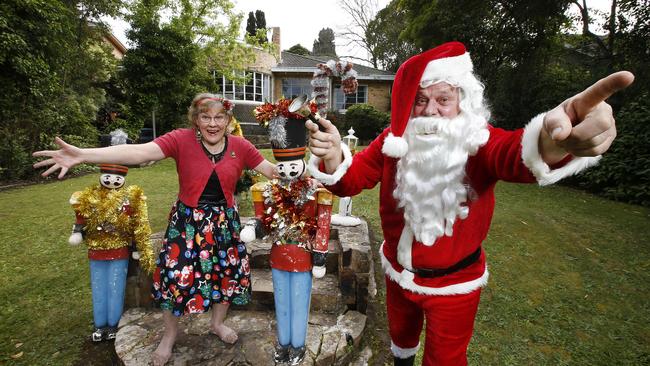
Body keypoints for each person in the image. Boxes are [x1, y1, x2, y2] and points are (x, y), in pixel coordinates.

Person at [305, 42, 634, 366]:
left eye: (443, 99)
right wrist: (334, 156)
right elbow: (352, 179)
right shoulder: (394, 140)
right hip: (396, 272)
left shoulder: (478, 141)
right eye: (420, 100)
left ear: (463, 99)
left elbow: (514, 154)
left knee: (445, 359)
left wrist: (554, 141)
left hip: (454, 286)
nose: (431, 110)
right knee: (400, 341)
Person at [33, 93, 277, 366]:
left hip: (224, 224)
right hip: (186, 224)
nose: (212, 123)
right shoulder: (180, 140)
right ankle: (169, 335)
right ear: (195, 120)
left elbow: (272, 171)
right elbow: (138, 151)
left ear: (229, 120)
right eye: (205, 117)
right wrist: (83, 155)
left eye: (219, 117)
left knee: (226, 276)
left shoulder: (240, 146)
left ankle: (217, 324)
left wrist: (307, 172)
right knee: (174, 278)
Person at [240, 105, 333, 365]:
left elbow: (323, 223)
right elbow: (264, 221)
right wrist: (252, 229)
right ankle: (284, 343)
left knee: (300, 301)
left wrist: (320, 257)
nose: (288, 171)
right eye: (283, 165)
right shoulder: (269, 190)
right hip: (279, 254)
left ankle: (298, 345)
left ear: (301, 163)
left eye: (293, 165)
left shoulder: (316, 190)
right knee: (281, 299)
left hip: (303, 256)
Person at [69, 161, 155, 342]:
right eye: (107, 177)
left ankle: (113, 324)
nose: (112, 181)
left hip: (120, 251)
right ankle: (100, 325)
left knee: (115, 287)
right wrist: (77, 232)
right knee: (98, 287)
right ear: (101, 176)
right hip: (96, 251)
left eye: (117, 178)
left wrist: (137, 247)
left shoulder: (130, 199)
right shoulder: (90, 197)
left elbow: (137, 224)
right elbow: (81, 216)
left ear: (122, 179)